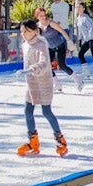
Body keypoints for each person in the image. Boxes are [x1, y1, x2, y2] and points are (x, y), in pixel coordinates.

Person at [14, 19, 69, 157]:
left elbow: (45, 63)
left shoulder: (41, 44)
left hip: (44, 82)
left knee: (46, 111)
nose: (24, 34)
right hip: (32, 83)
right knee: (27, 110)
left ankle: (60, 140)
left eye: (26, 31)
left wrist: (30, 70)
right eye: (22, 32)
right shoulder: (25, 45)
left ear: (34, 31)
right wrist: (27, 72)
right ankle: (33, 141)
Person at [34, 7, 83, 93]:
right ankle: (57, 84)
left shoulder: (51, 23)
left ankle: (79, 81)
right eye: (41, 15)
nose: (43, 17)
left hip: (60, 45)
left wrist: (69, 42)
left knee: (62, 65)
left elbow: (63, 32)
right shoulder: (37, 26)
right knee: (47, 65)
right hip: (50, 47)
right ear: (37, 16)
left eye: (44, 15)